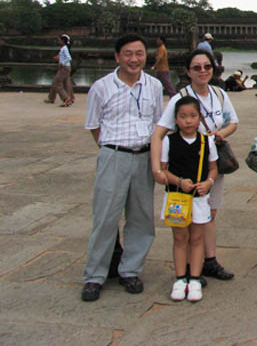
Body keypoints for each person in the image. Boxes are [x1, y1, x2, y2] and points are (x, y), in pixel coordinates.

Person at [81, 34, 163, 302]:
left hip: (144, 156)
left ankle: (131, 270)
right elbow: (94, 126)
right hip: (114, 155)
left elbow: (158, 125)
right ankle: (94, 275)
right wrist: (110, 149)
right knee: (105, 217)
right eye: (128, 53)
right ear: (117, 56)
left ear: (146, 56)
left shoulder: (153, 86)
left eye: (139, 53)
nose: (134, 59)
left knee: (141, 218)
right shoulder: (101, 87)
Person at [150, 49, 239, 284]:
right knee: (185, 217)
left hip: (211, 164)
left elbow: (233, 122)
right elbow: (158, 133)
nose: (203, 71)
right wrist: (157, 168)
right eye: (197, 67)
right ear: (188, 71)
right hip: (185, 168)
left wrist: (220, 134)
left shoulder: (219, 94)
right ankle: (188, 267)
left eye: (207, 66)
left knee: (209, 213)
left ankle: (209, 261)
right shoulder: (180, 98)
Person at [154, 96, 218, 302]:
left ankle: (195, 278)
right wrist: (179, 181)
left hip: (199, 198)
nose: (188, 121)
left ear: (199, 118)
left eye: (192, 116)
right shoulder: (168, 141)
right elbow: (164, 169)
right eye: (183, 116)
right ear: (176, 119)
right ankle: (180, 278)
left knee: (197, 238)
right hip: (177, 198)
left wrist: (209, 182)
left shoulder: (206, 141)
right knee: (180, 238)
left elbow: (213, 168)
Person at [45, 34, 74, 106]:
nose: (58, 41)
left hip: (64, 68)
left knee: (57, 83)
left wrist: (62, 63)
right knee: (65, 83)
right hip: (66, 67)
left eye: (59, 40)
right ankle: (52, 98)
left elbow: (69, 58)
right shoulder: (64, 48)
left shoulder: (64, 48)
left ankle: (66, 98)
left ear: (63, 41)